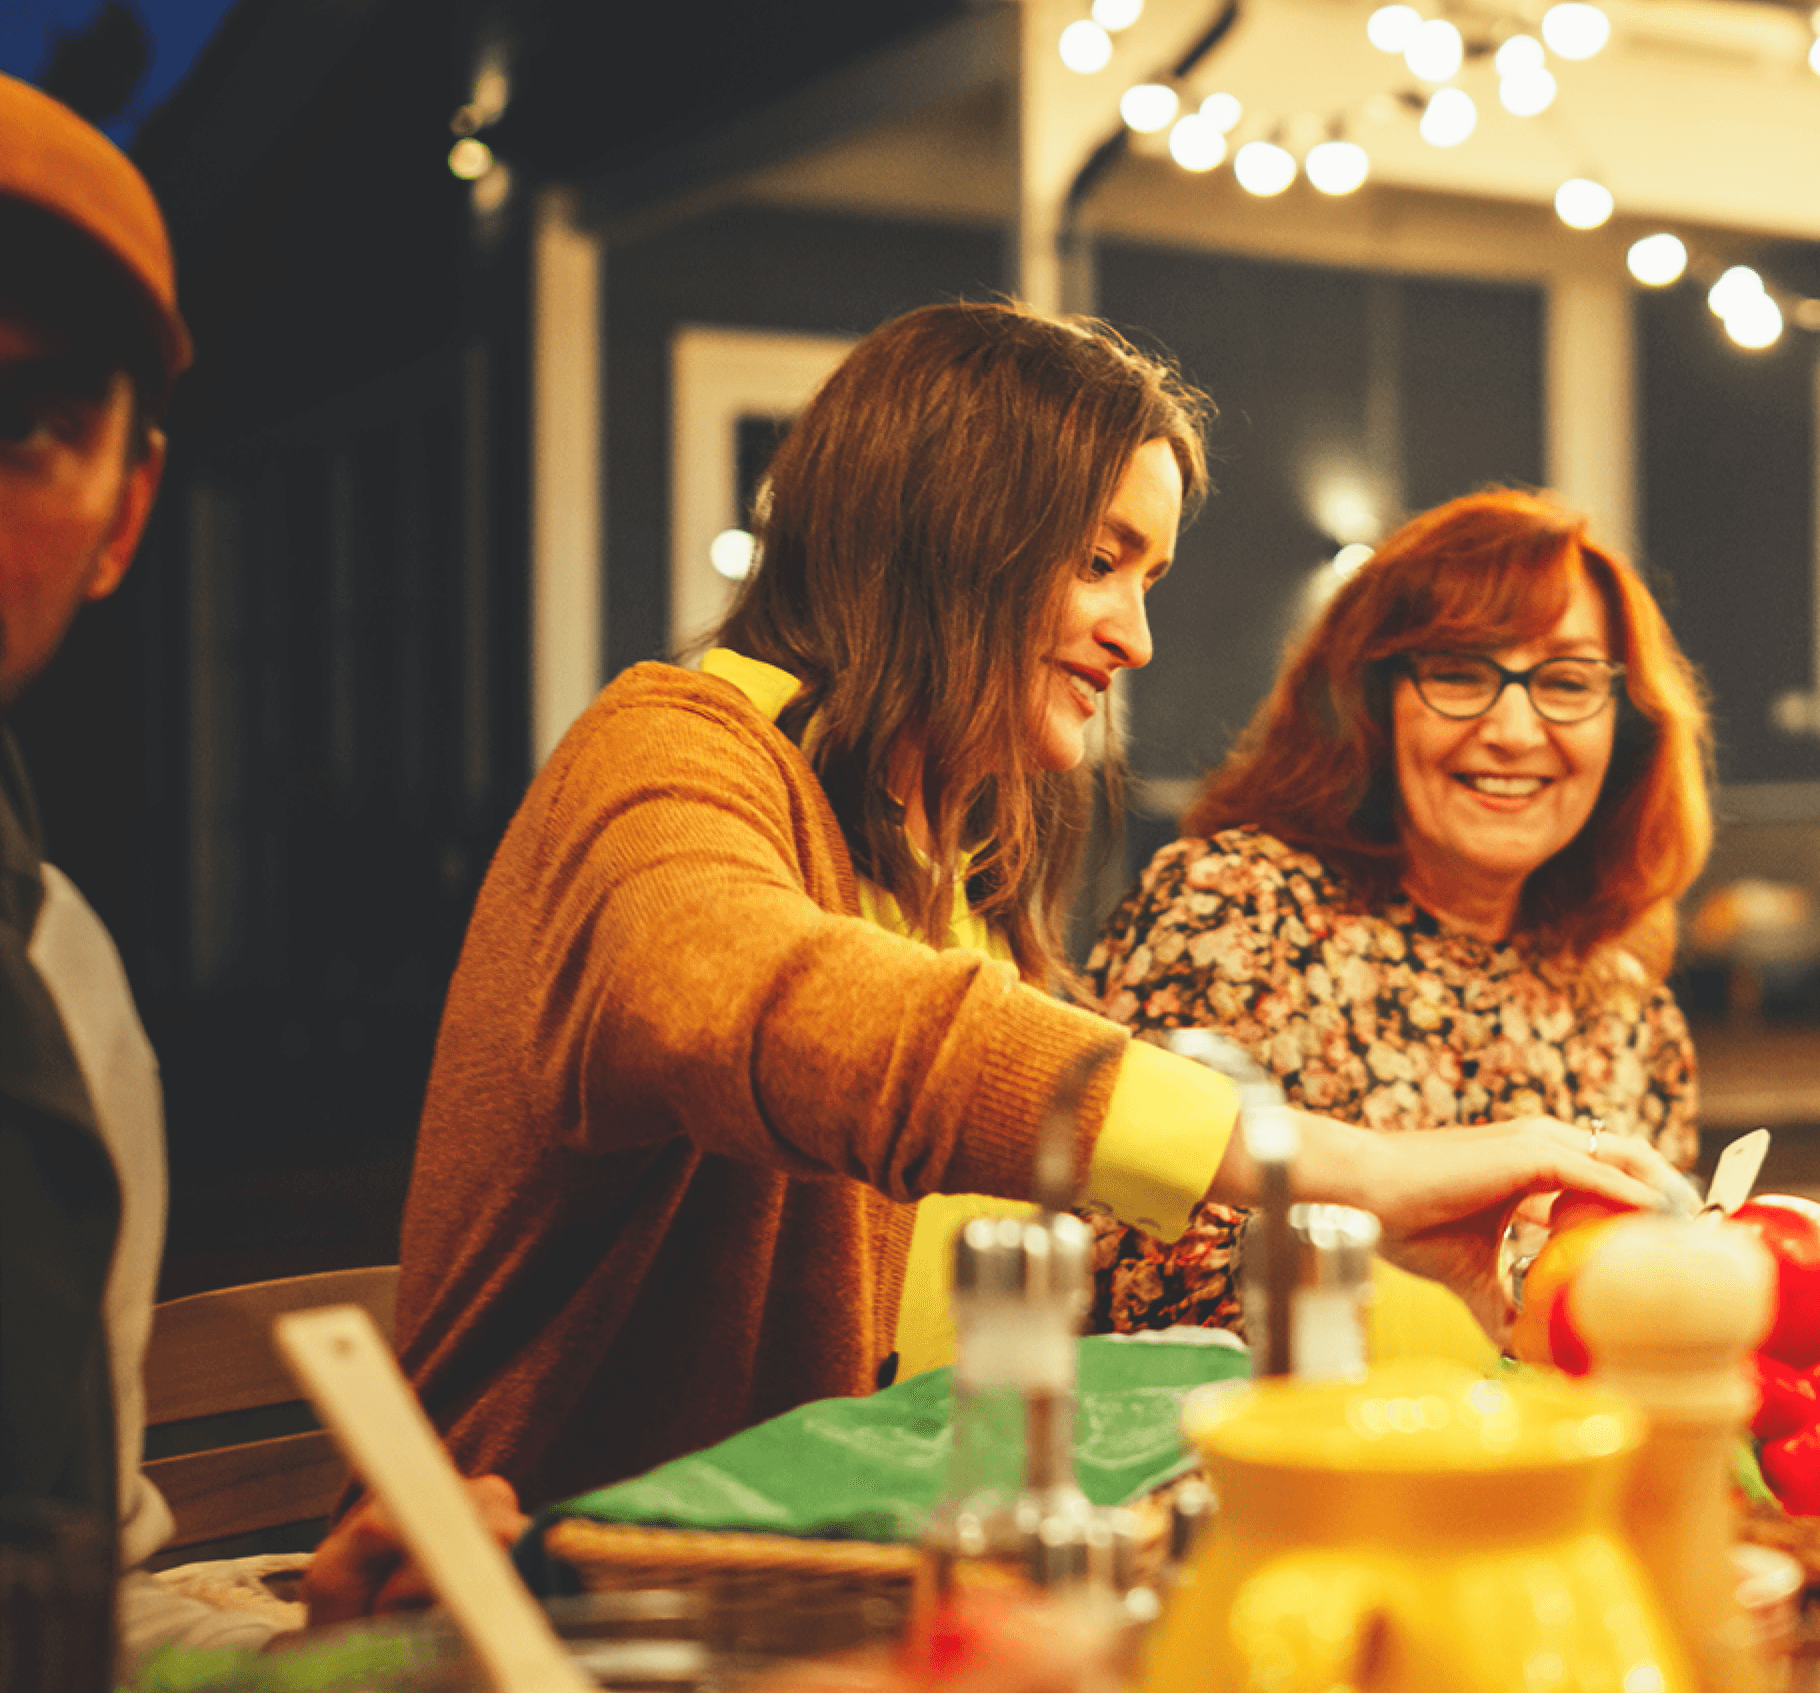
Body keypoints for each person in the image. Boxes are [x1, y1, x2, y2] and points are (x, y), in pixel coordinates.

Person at [392, 309, 1666, 1510]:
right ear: (942, 534)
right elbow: (759, 1001)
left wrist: (1383, 1241)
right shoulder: (665, 752)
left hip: (878, 1563)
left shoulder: (961, 858)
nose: (1139, 637)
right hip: (547, 1590)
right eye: (1101, 560)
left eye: (1150, 573)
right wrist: (1346, 1164)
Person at [0, 71, 531, 1665]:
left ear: (123, 512)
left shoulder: (64, 999)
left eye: (25, 426)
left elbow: (79, 1613)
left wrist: (309, 1645)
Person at [1081, 488, 1713, 1339]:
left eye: (1565, 681)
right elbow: (1111, 1281)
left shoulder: (1632, 1015)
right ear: (1369, 705)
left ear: (1624, 730)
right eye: (1459, 673)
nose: (1516, 730)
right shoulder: (1234, 912)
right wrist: (1380, 1246)